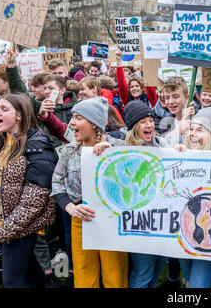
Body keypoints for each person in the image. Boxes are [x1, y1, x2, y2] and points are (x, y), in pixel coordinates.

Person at [51, 97, 129, 288]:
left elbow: (135, 177)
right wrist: (69, 207)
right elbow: (57, 183)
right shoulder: (69, 151)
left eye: (78, 118)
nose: (72, 123)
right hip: (81, 220)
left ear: (94, 123)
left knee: (114, 272)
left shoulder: (119, 147)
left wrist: (115, 156)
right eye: (72, 117)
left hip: (113, 221)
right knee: (84, 271)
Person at [0, 94, 57, 288]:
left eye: (4, 109)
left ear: (19, 115)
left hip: (21, 226)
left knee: (11, 280)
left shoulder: (37, 145)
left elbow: (33, 200)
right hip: (0, 221)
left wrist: (4, 230)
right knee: (28, 270)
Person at [173, 107, 211, 288]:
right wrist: (172, 155)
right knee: (190, 280)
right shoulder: (179, 152)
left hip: (209, 236)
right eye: (191, 128)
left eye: (200, 130)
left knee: (199, 284)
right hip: (183, 230)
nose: (192, 134)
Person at [119, 100, 170, 288]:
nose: (149, 125)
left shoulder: (161, 143)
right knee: (143, 271)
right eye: (142, 122)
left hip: (162, 219)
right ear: (133, 126)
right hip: (139, 221)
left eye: (150, 120)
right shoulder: (121, 148)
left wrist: (178, 152)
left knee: (159, 265)